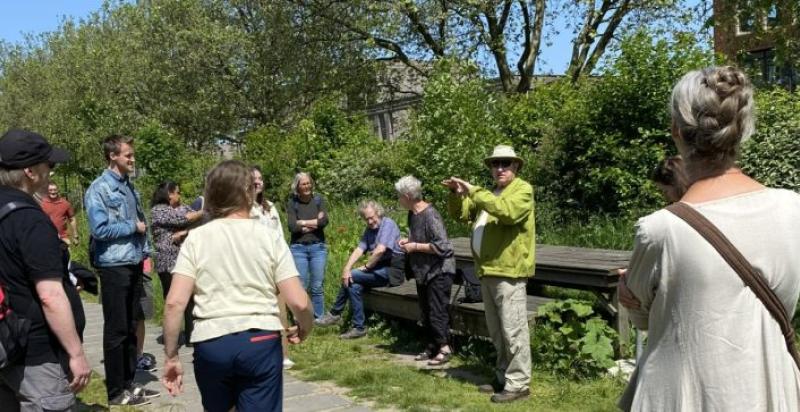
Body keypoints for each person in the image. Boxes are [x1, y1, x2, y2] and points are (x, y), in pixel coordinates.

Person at [617, 66, 800, 410]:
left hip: (683, 396)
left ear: (676, 132)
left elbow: (644, 320)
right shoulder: (793, 208)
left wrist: (627, 292)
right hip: (772, 390)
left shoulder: (660, 229)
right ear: (742, 129)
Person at [160, 160, 313, 411]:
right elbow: (297, 300)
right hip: (260, 338)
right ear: (248, 192)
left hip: (211, 342)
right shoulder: (268, 236)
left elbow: (175, 303)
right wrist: (306, 325)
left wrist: (171, 356)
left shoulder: (196, 239)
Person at [0, 129, 90, 411]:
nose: (51, 171)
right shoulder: (29, 220)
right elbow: (50, 295)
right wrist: (76, 353)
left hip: (7, 343)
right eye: (48, 165)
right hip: (36, 352)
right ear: (30, 171)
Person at [443, 144, 535, 403]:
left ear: (516, 166)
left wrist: (473, 190)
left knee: (513, 330)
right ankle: (504, 375)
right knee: (498, 331)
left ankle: (518, 384)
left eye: (506, 163)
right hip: (488, 270)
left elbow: (507, 212)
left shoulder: (522, 190)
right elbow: (460, 215)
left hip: (509, 271)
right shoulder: (491, 193)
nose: (500, 168)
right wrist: (455, 193)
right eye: (496, 164)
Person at [85, 134, 159, 405]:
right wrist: (133, 227)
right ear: (113, 156)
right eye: (127, 155)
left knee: (131, 325)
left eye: (132, 154)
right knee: (116, 329)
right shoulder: (99, 189)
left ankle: (130, 384)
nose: (132, 158)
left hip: (134, 261)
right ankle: (116, 391)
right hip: (114, 265)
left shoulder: (129, 186)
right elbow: (99, 229)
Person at [316, 200, 402, 339]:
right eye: (366, 219)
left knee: (354, 275)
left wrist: (366, 267)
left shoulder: (388, 224)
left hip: (392, 271)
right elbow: (359, 249)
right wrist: (346, 268)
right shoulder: (369, 230)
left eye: (372, 217)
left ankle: (335, 313)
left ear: (378, 213)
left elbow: (380, 250)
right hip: (379, 270)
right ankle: (359, 327)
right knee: (353, 284)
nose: (370, 221)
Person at [395, 176, 456, 366]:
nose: (398, 200)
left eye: (399, 196)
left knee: (437, 311)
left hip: (439, 270)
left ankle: (445, 348)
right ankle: (431, 347)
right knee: (426, 311)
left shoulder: (431, 214)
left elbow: (444, 247)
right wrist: (408, 241)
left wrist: (415, 246)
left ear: (407, 195)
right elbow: (418, 237)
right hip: (422, 270)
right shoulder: (413, 214)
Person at [150, 180, 203, 352]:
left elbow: (194, 217)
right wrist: (205, 210)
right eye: (177, 192)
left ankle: (191, 336)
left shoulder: (181, 207)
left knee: (189, 298)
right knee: (173, 299)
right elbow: (185, 218)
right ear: (169, 193)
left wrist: (187, 231)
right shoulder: (158, 210)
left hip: (183, 259)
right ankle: (171, 337)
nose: (180, 196)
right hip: (167, 261)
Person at [251, 166, 294, 369]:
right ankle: (261, 354)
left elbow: (280, 237)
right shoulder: (243, 209)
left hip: (275, 264)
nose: (258, 182)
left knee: (280, 309)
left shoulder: (269, 207)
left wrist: (286, 262)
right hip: (255, 267)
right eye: (254, 179)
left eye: (260, 178)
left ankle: (284, 353)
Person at [286, 172, 329, 321]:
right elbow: (292, 226)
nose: (307, 186)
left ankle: (319, 317)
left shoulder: (318, 200)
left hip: (318, 247)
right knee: (301, 285)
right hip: (298, 249)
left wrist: (302, 222)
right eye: (303, 184)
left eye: (308, 183)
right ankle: (302, 318)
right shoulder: (292, 202)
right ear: (297, 186)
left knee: (317, 285)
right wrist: (313, 222)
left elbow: (324, 222)